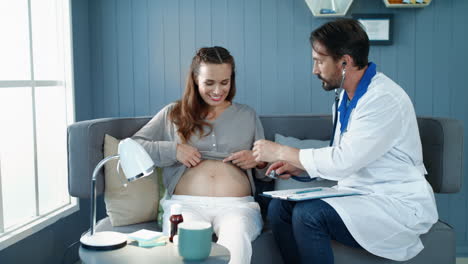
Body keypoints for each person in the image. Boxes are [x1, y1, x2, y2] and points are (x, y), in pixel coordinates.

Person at [252, 18, 438, 264]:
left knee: (309, 215)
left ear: (344, 62)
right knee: (279, 209)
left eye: (319, 61)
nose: (314, 70)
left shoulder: (383, 99)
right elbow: (345, 155)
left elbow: (343, 161)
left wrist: (281, 152)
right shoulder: (344, 98)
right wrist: (302, 166)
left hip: (394, 201)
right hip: (359, 194)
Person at [132, 46, 268, 264]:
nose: (217, 91)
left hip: (237, 206)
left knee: (236, 246)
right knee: (186, 251)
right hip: (187, 204)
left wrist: (258, 162)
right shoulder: (173, 112)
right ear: (195, 79)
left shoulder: (247, 115)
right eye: (209, 83)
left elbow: (266, 175)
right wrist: (174, 150)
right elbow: (134, 145)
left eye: (225, 82)